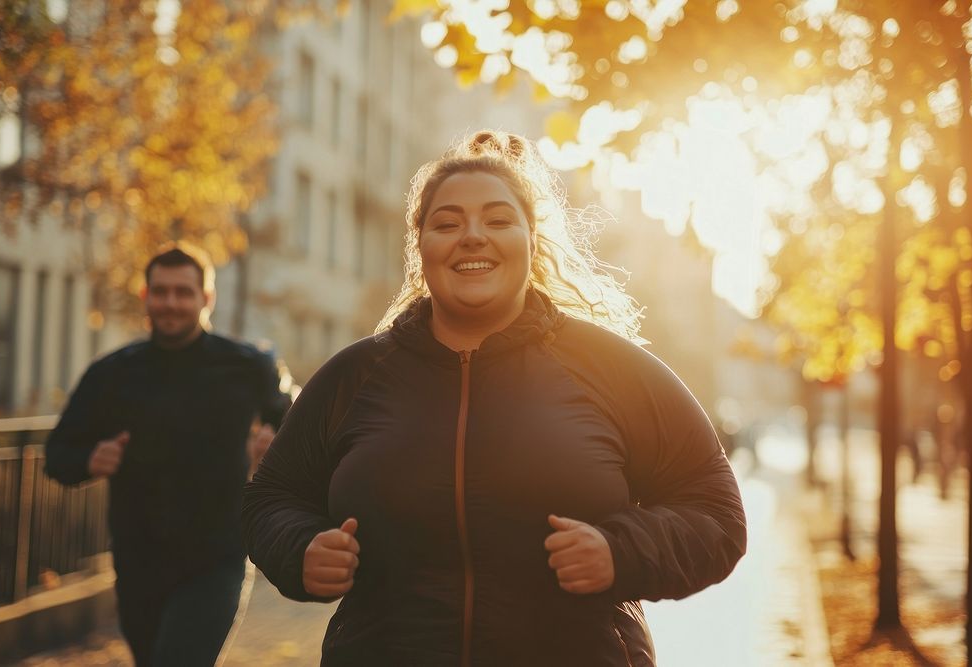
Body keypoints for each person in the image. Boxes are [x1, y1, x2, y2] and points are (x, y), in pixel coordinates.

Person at [242, 131, 747, 666]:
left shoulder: (612, 369)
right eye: (447, 223)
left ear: (532, 239)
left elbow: (715, 512)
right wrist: (302, 549)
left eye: (499, 220)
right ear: (421, 247)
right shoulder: (356, 375)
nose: (472, 237)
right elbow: (269, 498)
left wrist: (620, 552)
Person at [46, 244, 291, 667]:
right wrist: (90, 459)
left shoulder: (246, 367)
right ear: (146, 297)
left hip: (217, 557)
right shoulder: (111, 374)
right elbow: (57, 454)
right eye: (161, 292)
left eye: (183, 292)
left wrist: (274, 441)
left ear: (206, 299)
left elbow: (296, 425)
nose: (171, 303)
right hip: (138, 560)